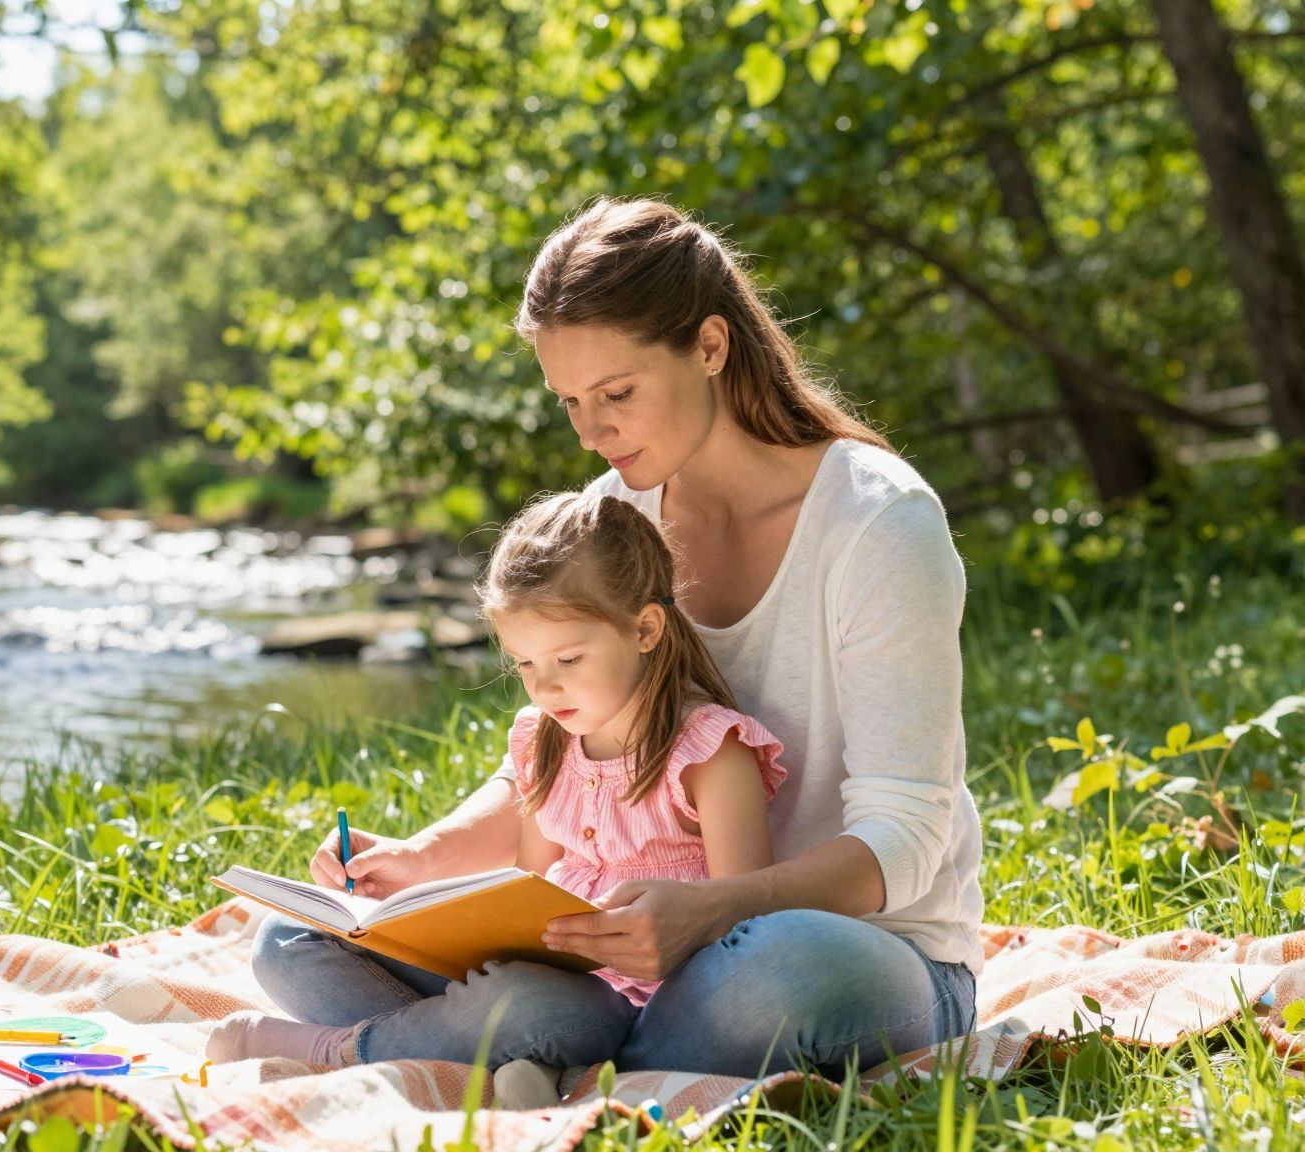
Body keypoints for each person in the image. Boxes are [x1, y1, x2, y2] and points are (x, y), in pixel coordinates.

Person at [229, 197, 983, 1096]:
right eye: (570, 402)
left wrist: (712, 911)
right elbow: (552, 760)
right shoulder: (616, 515)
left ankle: (509, 1048)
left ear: (711, 345)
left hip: (847, 951)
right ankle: (562, 1044)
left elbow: (906, 838)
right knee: (294, 939)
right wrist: (420, 861)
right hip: (623, 969)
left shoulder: (876, 522)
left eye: (617, 394)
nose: (591, 433)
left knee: (782, 965)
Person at [206, 488, 789, 1072]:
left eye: (568, 660)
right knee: (286, 936)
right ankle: (496, 1056)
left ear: (645, 630)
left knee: (525, 1007)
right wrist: (419, 913)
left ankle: (341, 1050)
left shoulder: (710, 754)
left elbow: (746, 933)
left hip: (635, 1011)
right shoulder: (547, 741)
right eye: (525, 663)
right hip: (534, 981)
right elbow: (525, 892)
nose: (545, 687)